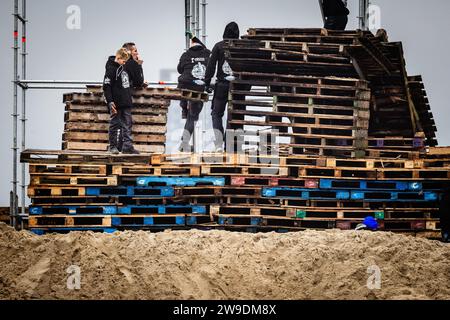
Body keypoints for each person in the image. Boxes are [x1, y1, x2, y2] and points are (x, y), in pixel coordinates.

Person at [205, 22, 240, 152]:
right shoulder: (240, 46)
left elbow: (211, 66)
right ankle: (232, 146)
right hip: (237, 87)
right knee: (235, 116)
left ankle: (219, 144)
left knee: (216, 114)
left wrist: (207, 83)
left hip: (222, 86)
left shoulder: (219, 46)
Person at [177, 36, 211, 152]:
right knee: (193, 116)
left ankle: (183, 108)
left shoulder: (185, 54)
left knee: (183, 92)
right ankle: (184, 143)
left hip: (184, 85)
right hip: (199, 87)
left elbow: (179, 69)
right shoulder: (208, 53)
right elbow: (211, 69)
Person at [103, 48, 140, 155]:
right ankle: (113, 146)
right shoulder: (110, 69)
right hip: (116, 103)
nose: (124, 63)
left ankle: (127, 146)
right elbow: (106, 87)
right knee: (115, 124)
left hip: (126, 102)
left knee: (127, 124)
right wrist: (110, 102)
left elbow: (132, 81)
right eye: (123, 61)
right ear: (118, 58)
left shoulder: (123, 68)